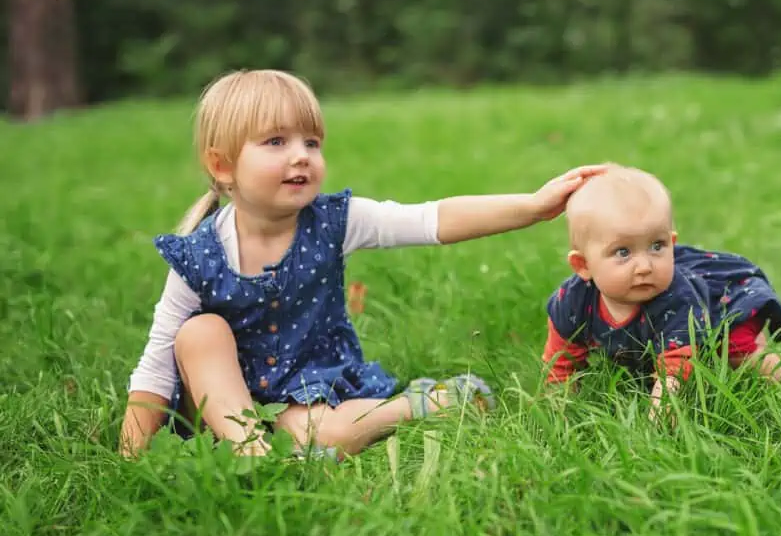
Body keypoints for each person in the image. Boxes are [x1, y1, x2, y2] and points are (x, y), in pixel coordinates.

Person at [119, 68, 607, 458]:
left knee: (319, 434)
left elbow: (431, 219)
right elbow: (157, 363)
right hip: (219, 400)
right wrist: (130, 456)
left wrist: (535, 205)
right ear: (223, 165)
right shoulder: (197, 253)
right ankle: (249, 446)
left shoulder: (333, 221)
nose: (301, 156)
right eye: (276, 142)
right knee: (197, 332)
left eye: (311, 142)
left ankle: (421, 404)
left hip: (308, 392)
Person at [540, 166, 781, 419]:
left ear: (672, 244)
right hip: (656, 336)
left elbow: (674, 376)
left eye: (656, 246)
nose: (644, 266)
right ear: (583, 265)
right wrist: (555, 417)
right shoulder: (572, 302)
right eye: (623, 252)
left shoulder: (678, 298)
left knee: (737, 351)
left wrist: (656, 428)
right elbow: (560, 367)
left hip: (722, 306)